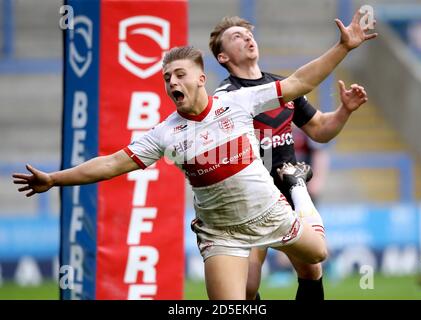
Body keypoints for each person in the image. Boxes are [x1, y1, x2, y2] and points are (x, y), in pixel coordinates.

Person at [13, 13, 376, 299]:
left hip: (271, 211)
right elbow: (111, 162)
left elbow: (299, 82)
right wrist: (54, 178)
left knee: (317, 257)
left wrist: (342, 48)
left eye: (179, 75)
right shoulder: (165, 132)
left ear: (201, 78)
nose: (172, 83)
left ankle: (297, 188)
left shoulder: (239, 101)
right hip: (220, 234)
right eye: (167, 77)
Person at [209, 15, 370, 300]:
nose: (247, 38)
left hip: (288, 192)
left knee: (311, 269)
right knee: (246, 288)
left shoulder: (281, 86)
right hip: (251, 200)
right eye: (236, 36)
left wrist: (344, 111)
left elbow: (320, 129)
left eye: (248, 34)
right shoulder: (226, 97)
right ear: (222, 56)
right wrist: (343, 47)